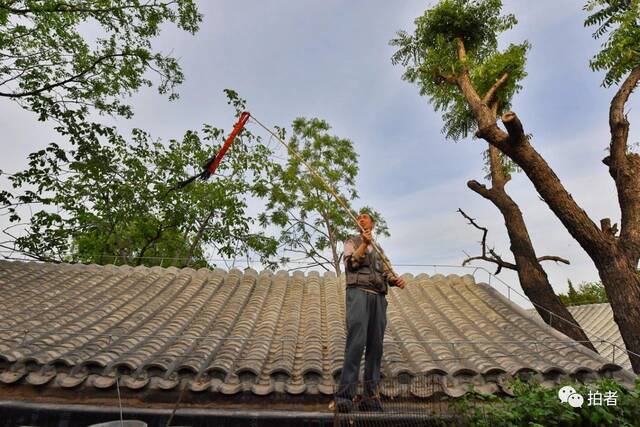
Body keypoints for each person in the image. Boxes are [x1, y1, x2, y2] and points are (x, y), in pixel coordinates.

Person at [334, 212, 406, 413]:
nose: (361, 219)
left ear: (372, 223)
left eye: (365, 217)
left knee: (376, 346)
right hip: (358, 293)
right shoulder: (352, 241)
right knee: (356, 343)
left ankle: (370, 397)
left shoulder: (380, 250)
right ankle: (345, 397)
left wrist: (395, 280)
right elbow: (350, 264)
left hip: (378, 298)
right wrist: (364, 244)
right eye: (359, 217)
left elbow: (387, 272)